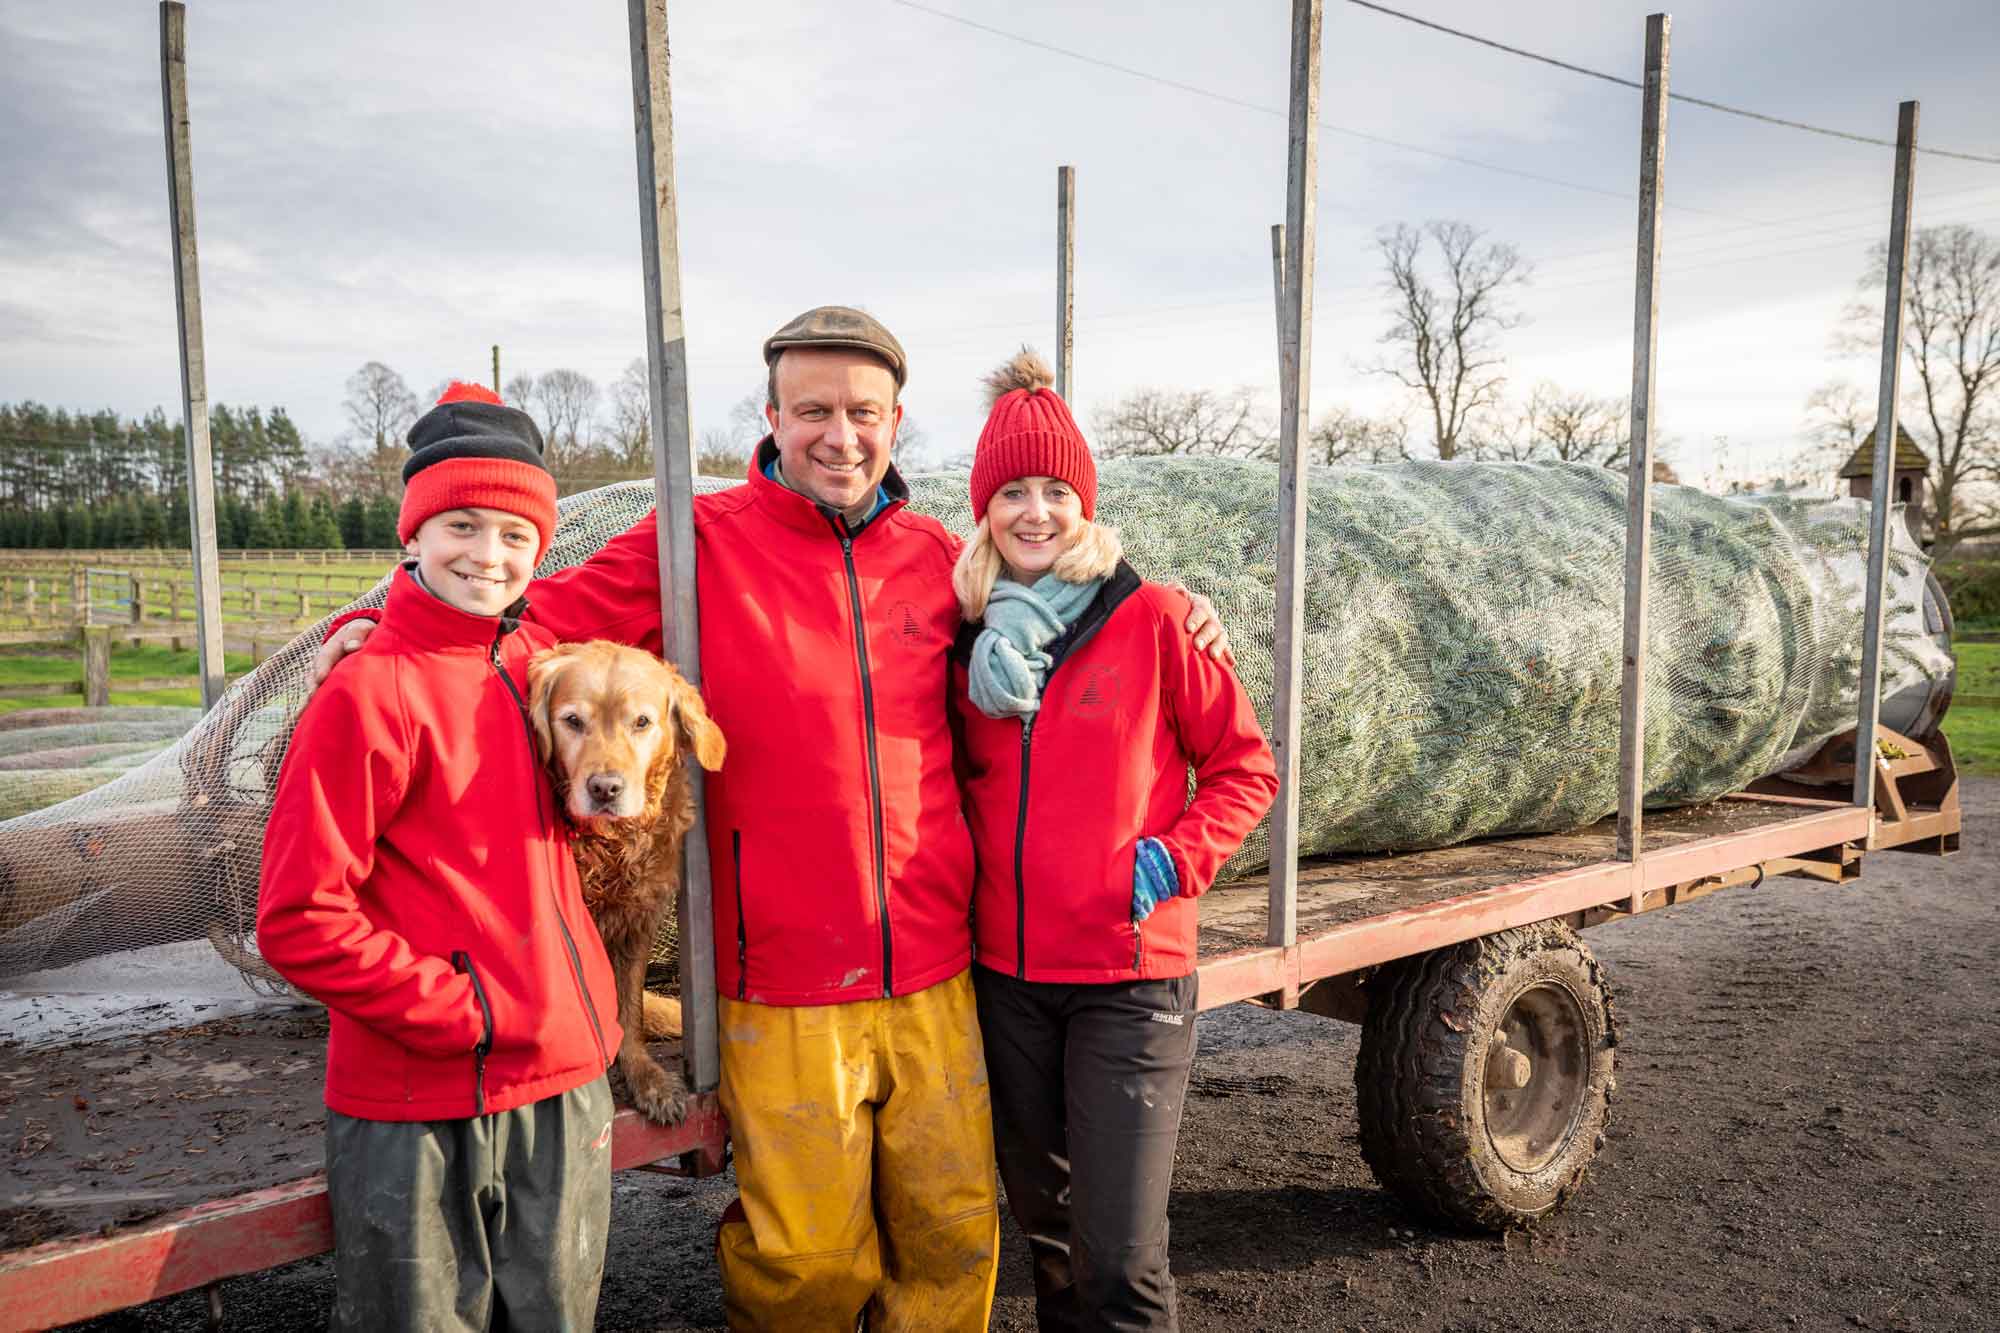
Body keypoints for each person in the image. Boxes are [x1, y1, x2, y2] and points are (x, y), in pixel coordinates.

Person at [311, 308, 1230, 1331]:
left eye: (863, 413)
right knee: (804, 1261)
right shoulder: (693, 544)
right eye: (813, 411)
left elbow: (1063, 589)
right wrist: (377, 623)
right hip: (782, 976)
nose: (840, 435)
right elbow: (525, 618)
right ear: (771, 416)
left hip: (938, 964)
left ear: (894, 422)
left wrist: (1181, 600)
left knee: (951, 1234)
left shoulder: (934, 556)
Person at [258, 381, 623, 1332]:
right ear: (411, 536)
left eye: (515, 534)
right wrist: (464, 1009)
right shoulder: (367, 693)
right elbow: (299, 920)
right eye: (462, 524)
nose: (488, 555)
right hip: (418, 1098)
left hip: (565, 1081)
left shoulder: (542, 669)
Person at [949, 350, 1278, 1332]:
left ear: (1083, 503)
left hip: (1127, 978)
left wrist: (1174, 858)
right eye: (1012, 491)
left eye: (1056, 489)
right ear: (984, 507)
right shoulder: (961, 630)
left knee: (1120, 1260)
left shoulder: (1158, 619)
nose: (1035, 511)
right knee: (1045, 1241)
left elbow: (1244, 767)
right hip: (1003, 977)